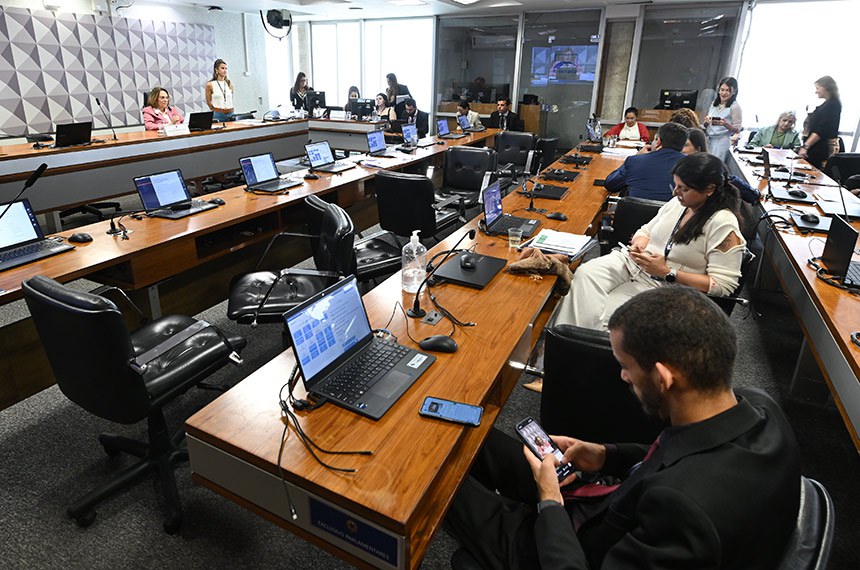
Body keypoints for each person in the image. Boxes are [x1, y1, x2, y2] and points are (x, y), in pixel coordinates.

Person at [446, 286, 801, 570]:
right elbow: (672, 455)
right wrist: (605, 455)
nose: (623, 376)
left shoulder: (684, 510)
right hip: (607, 504)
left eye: (626, 366)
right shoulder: (758, 406)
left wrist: (550, 502)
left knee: (440, 480)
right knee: (474, 440)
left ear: (663, 378)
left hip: (565, 550)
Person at [556, 152, 745, 331]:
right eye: (676, 185)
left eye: (684, 189)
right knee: (585, 274)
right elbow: (646, 230)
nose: (675, 193)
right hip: (635, 265)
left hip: (665, 285)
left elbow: (724, 285)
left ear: (710, 189)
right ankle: (570, 341)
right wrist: (640, 242)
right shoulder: (679, 204)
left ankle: (573, 341)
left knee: (606, 317)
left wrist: (668, 272)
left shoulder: (723, 224)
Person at [604, 122, 688, 201]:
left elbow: (610, 185)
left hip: (633, 211)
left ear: (658, 141)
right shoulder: (690, 164)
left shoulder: (635, 161)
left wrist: (637, 156)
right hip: (670, 212)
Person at [799, 76, 842, 169]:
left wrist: (805, 147)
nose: (816, 91)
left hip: (821, 149)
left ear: (826, 87)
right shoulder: (828, 104)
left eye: (817, 88)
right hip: (817, 147)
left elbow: (821, 130)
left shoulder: (832, 105)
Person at [703, 77, 742, 161]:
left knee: (714, 165)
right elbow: (705, 124)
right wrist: (707, 122)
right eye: (722, 90)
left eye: (727, 90)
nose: (723, 93)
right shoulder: (714, 103)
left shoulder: (735, 107)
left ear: (734, 91)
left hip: (721, 141)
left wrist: (726, 124)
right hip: (709, 139)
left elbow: (737, 129)